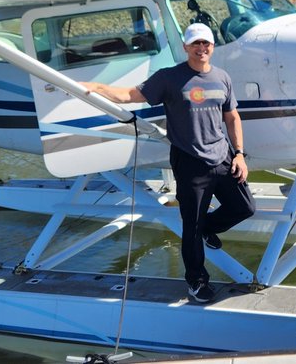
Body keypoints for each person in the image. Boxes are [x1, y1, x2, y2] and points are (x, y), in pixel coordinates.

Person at [81, 23, 254, 304]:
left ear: (212, 47)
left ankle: (209, 228)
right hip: (189, 161)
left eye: (206, 44)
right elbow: (130, 96)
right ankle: (196, 282)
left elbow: (232, 117)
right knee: (191, 226)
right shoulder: (170, 78)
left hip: (222, 156)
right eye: (195, 44)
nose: (201, 48)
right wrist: (96, 88)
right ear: (186, 47)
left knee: (245, 207)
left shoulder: (222, 77)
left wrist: (239, 154)